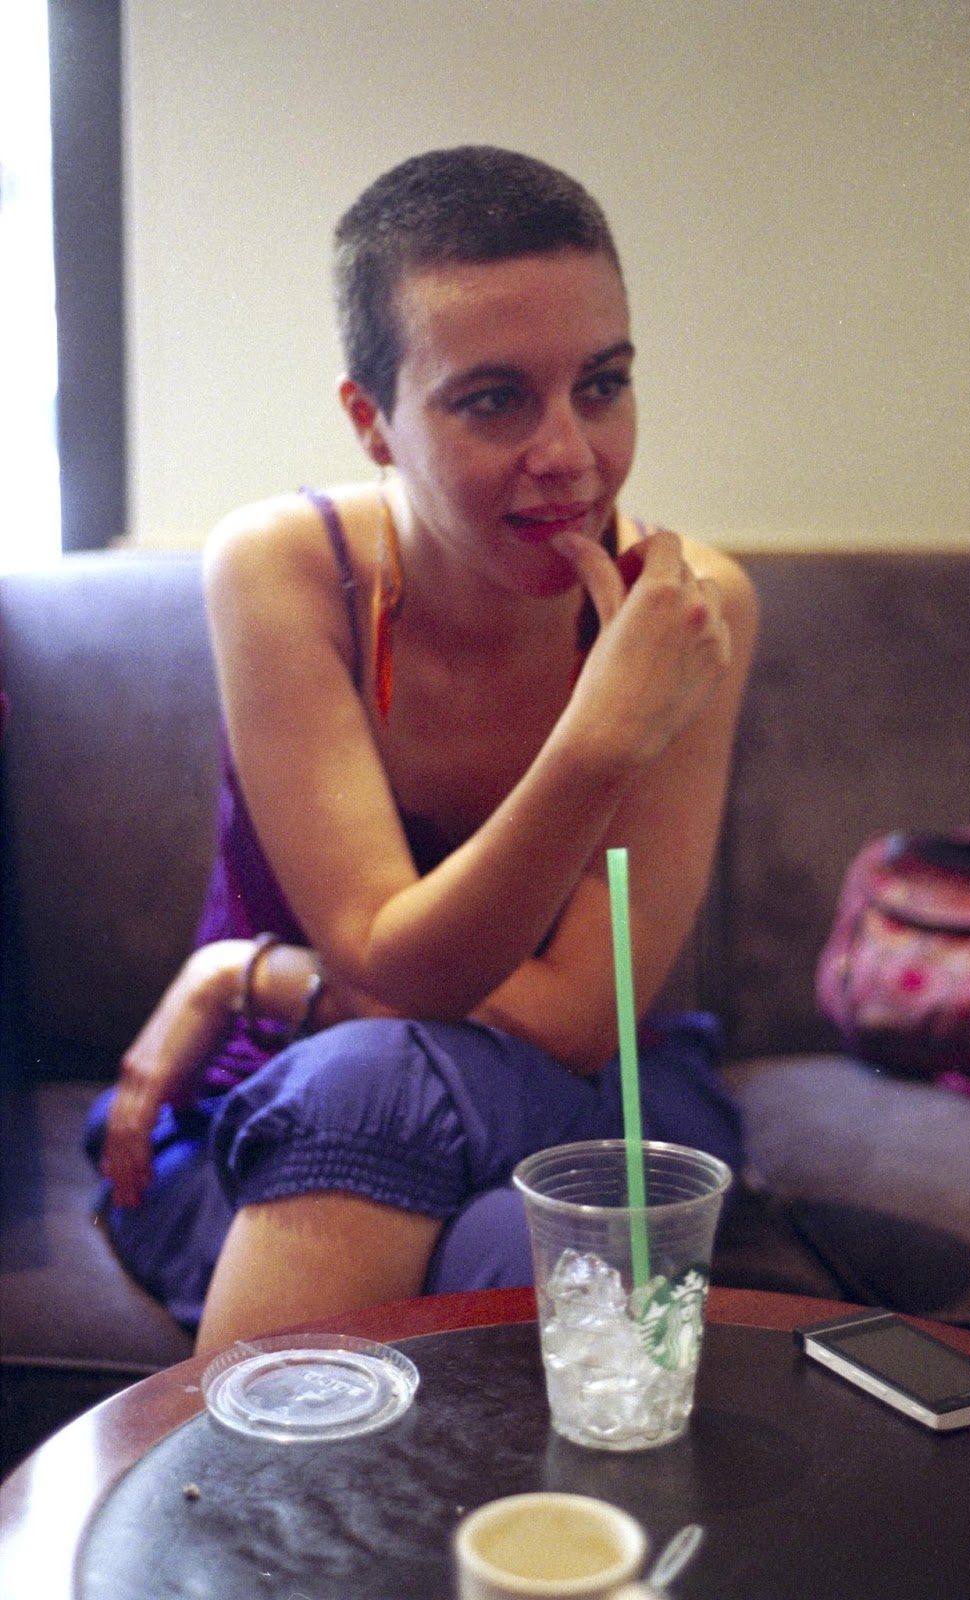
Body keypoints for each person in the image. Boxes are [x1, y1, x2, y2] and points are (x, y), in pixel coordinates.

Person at [86, 146, 758, 1356]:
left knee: (384, 1086)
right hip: (272, 1113)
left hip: (569, 1105)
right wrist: (599, 741)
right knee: (501, 1239)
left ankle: (218, 1493)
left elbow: (574, 1020)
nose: (571, 454)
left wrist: (252, 973)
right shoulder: (285, 567)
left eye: (601, 385)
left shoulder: (690, 610)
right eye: (494, 399)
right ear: (371, 422)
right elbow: (389, 965)